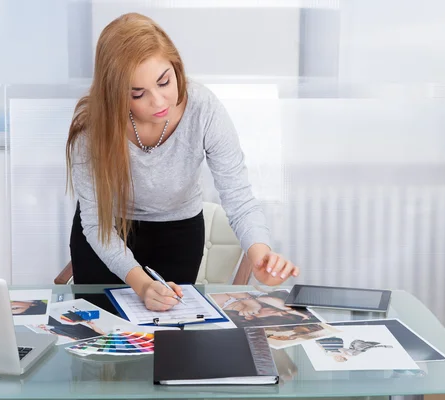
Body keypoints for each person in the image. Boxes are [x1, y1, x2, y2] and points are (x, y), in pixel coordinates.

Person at [66, 12, 300, 311]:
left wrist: (260, 256)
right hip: (107, 234)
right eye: (138, 94)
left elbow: (238, 196)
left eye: (165, 82)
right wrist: (141, 283)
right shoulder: (92, 129)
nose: (159, 102)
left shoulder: (204, 109)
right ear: (114, 95)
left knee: (170, 342)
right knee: (99, 340)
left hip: (176, 234)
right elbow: (96, 223)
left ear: (176, 67)